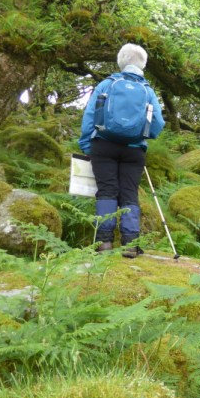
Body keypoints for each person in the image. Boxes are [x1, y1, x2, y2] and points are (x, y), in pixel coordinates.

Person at [79, 43, 165, 258]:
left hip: (103, 145)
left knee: (106, 191)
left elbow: (90, 116)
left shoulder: (107, 84)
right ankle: (130, 244)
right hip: (134, 150)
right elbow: (158, 122)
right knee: (129, 193)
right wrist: (144, 136)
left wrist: (87, 145)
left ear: (120, 62)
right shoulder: (147, 90)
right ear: (143, 64)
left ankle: (104, 243)